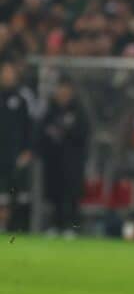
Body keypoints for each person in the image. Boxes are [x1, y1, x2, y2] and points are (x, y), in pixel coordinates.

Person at [38, 79, 89, 236]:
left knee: (72, 195)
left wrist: (66, 133)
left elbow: (84, 134)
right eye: (61, 90)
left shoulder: (78, 111)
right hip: (54, 160)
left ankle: (72, 228)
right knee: (55, 195)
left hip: (73, 160)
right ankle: (55, 225)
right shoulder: (50, 110)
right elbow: (41, 132)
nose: (63, 93)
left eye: (66, 90)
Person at [0, 61, 35, 232]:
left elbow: (30, 127)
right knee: (3, 194)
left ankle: (19, 227)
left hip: (17, 155)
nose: (7, 75)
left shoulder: (23, 98)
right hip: (1, 155)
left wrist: (28, 150)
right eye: (4, 72)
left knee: (19, 194)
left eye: (9, 71)